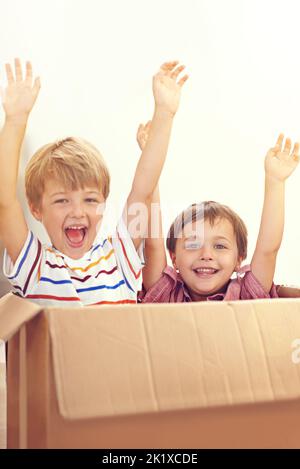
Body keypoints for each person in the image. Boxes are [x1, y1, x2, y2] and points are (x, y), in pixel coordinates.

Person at [0, 59, 188, 306]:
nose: (78, 211)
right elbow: (5, 202)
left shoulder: (119, 257)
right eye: (62, 200)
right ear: (36, 209)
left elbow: (143, 190)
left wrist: (164, 113)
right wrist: (15, 121)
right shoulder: (35, 265)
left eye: (90, 200)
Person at [136, 122, 299, 302]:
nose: (206, 255)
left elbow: (268, 250)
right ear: (173, 258)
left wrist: (275, 181)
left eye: (220, 246)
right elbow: (152, 244)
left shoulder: (246, 295)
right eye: (192, 245)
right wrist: (150, 156)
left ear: (239, 259)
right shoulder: (165, 294)